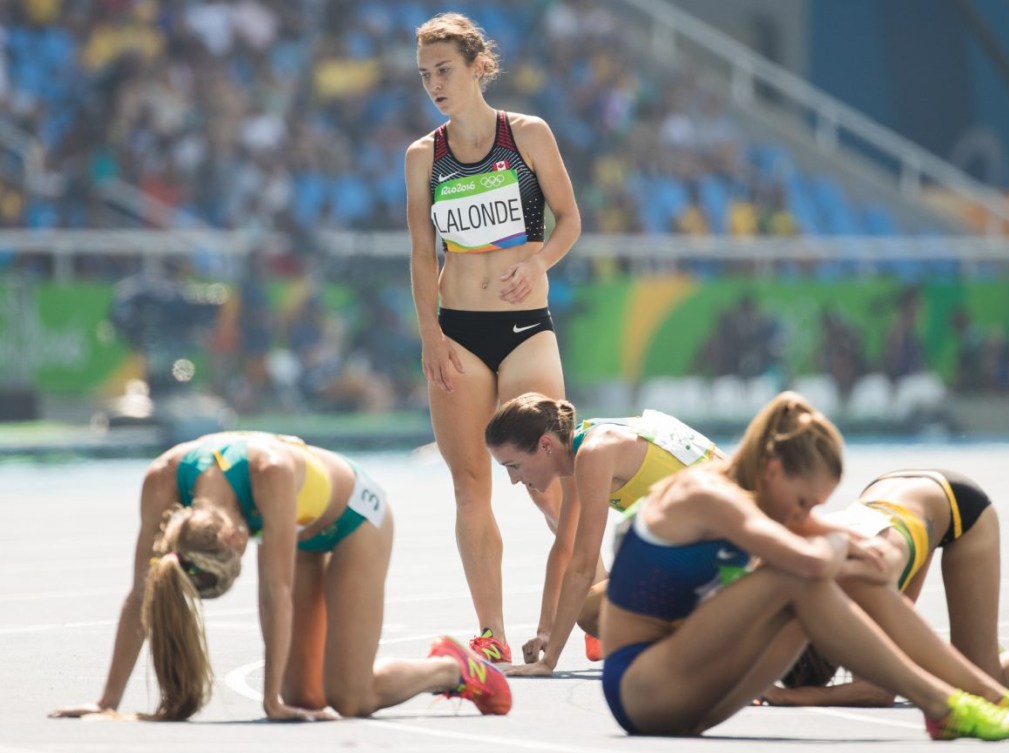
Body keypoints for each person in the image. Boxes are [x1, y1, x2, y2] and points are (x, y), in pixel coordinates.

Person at [598, 391, 1009, 739]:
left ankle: (986, 698)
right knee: (800, 574)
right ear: (772, 471)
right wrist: (837, 546)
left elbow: (827, 537)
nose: (804, 515)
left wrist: (860, 552)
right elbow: (805, 556)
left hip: (698, 704)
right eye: (804, 500)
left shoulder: (765, 502)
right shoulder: (709, 495)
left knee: (842, 570)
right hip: (642, 689)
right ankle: (946, 705)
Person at [50, 431, 510, 721]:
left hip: (355, 519)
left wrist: (270, 702)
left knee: (351, 699)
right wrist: (106, 700)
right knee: (307, 697)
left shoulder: (269, 472)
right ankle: (309, 691)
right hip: (304, 531)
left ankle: (449, 666)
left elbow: (276, 591)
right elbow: (141, 593)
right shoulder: (162, 479)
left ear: (235, 542)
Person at [405, 12, 581, 664]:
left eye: (444, 71)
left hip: (526, 329)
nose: (434, 85)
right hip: (459, 333)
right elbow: (424, 254)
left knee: (546, 480)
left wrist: (538, 263)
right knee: (470, 484)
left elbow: (570, 220)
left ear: (479, 66)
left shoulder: (527, 135)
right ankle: (493, 630)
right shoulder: (424, 155)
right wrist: (429, 332)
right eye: (425, 76)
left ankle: (588, 601)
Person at [759, 469, 1009, 707]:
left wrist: (792, 696)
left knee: (982, 682)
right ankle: (975, 641)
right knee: (918, 666)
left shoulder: (864, 580)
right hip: (892, 489)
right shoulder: (808, 569)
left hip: (961, 509)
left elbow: (878, 692)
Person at [484, 392, 722, 675]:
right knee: (597, 607)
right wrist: (546, 632)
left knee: (603, 606)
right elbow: (566, 547)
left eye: (513, 465)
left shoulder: (595, 454)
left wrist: (549, 663)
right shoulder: (579, 448)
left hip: (736, 541)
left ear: (545, 445)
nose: (513, 479)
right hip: (712, 540)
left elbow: (584, 566)